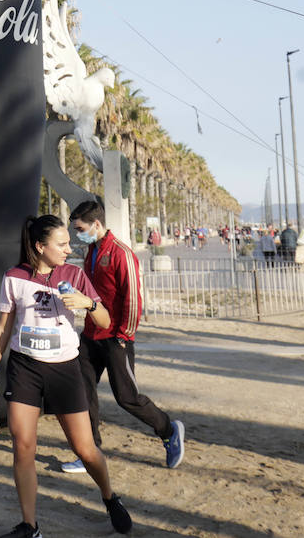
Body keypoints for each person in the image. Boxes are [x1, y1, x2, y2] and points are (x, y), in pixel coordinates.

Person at [0, 214, 132, 538]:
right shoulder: (14, 277)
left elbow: (104, 320)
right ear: (39, 246)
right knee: (22, 445)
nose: (68, 248)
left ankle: (109, 497)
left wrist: (88, 303)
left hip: (65, 368)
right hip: (25, 367)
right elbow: (4, 328)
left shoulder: (74, 274)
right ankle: (29, 526)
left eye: (68, 242)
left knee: (84, 449)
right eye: (61, 244)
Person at [68, 200, 184, 472]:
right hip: (90, 334)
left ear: (96, 224)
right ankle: (90, 452)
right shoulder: (91, 252)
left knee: (127, 397)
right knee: (83, 393)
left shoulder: (121, 253)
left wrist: (124, 335)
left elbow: (133, 297)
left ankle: (168, 430)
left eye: (80, 228)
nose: (77, 234)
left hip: (116, 337)